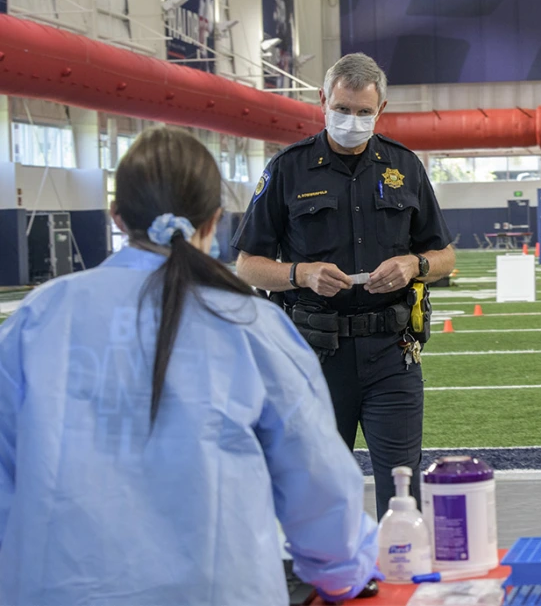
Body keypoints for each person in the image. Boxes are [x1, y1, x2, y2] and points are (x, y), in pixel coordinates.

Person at [0, 128, 380, 604]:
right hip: (219, 588)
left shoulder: (40, 316)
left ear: (117, 217)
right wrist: (343, 572)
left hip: (52, 587)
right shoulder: (250, 323)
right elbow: (318, 483)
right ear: (214, 221)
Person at [232, 53, 455, 512]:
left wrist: (415, 265)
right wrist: (300, 273)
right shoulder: (287, 169)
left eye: (362, 112)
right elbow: (247, 265)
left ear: (381, 110)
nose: (351, 120)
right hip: (315, 355)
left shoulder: (405, 166)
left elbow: (445, 256)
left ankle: (398, 575)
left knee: (402, 489)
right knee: (319, 489)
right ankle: (333, 582)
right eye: (343, 108)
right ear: (323, 101)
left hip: (392, 353)